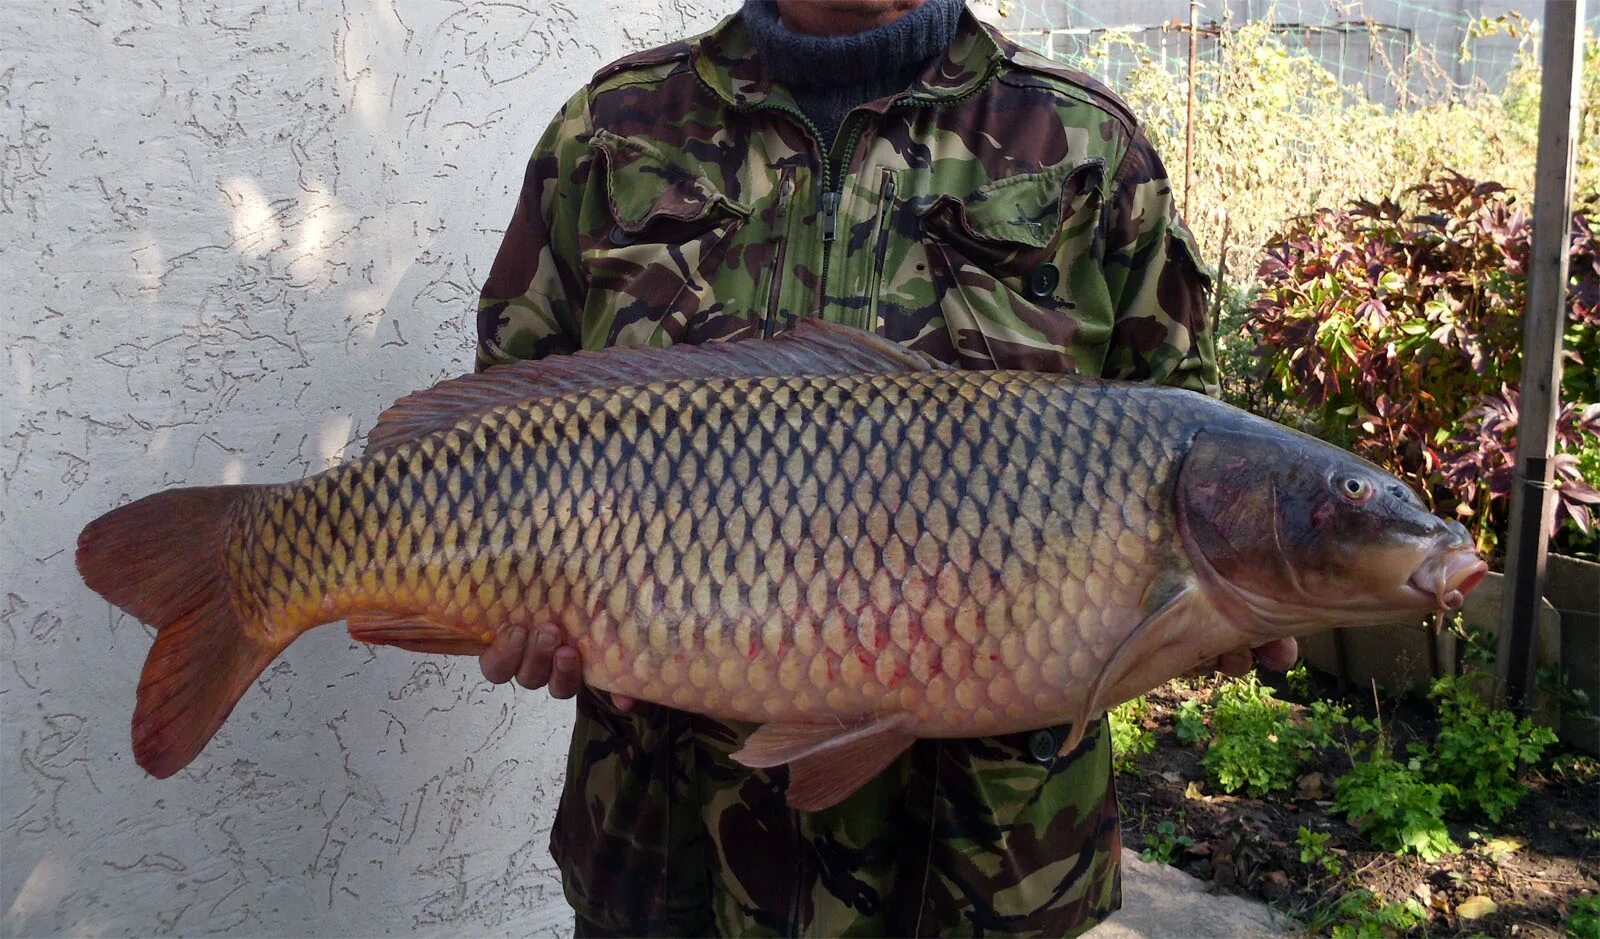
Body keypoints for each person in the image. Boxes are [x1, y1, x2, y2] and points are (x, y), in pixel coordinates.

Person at [472, 1, 1296, 934]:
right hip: (666, 864)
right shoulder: (614, 129)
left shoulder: (1087, 147)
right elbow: (511, 420)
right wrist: (525, 596)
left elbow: (1183, 446)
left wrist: (1220, 605)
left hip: (984, 880)